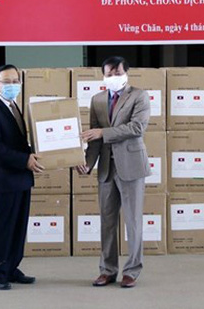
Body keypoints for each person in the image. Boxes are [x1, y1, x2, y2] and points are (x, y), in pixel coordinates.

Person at [74, 56, 151, 288]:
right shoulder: (97, 100)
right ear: (103, 76)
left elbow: (137, 128)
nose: (113, 78)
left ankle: (132, 271)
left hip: (131, 166)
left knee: (133, 221)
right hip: (106, 168)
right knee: (107, 221)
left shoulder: (139, 96)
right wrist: (87, 163)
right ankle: (107, 270)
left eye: (118, 73)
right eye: (109, 74)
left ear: (126, 73)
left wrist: (103, 133)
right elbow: (93, 140)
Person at [0, 64, 45, 290]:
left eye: (15, 81)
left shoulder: (13, 106)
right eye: (7, 82)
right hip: (3, 181)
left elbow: (16, 142)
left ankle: (10, 267)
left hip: (20, 179)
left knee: (18, 227)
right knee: (1, 229)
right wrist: (24, 160)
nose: (12, 85)